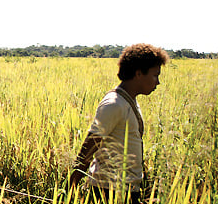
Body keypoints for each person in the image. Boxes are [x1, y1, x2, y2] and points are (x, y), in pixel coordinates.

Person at [69, 43, 170, 204]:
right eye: (155, 75)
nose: (158, 82)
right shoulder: (114, 104)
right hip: (109, 191)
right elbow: (89, 147)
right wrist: (68, 188)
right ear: (138, 73)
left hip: (126, 189)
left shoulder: (128, 101)